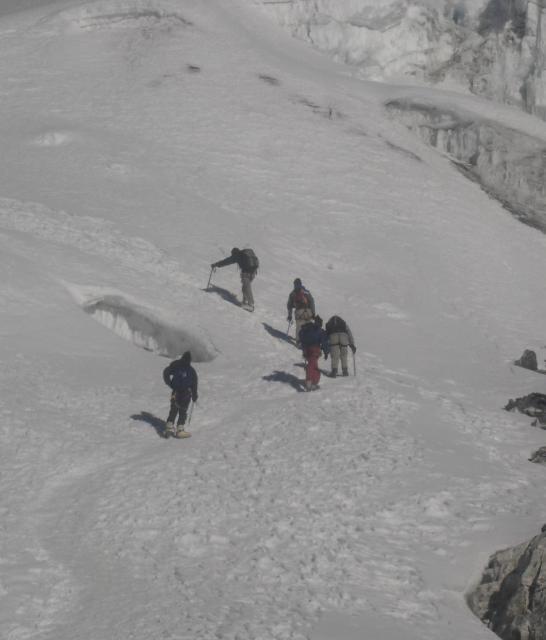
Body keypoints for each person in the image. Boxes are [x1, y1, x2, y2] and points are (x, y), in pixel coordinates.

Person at [162, 351, 198, 438]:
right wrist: (194, 394)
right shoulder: (188, 369)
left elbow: (166, 372)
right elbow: (194, 383)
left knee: (177, 409)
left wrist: (170, 383)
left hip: (180, 392)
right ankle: (177, 428)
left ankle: (173, 427)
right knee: (180, 410)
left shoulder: (179, 366)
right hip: (182, 392)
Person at [299, 315, 329, 391]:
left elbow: (301, 336)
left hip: (306, 349)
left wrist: (303, 348)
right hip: (315, 349)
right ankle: (310, 383)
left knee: (312, 365)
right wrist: (326, 352)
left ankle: (312, 382)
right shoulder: (319, 330)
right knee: (312, 366)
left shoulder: (306, 328)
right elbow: (324, 342)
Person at [286, 278, 315, 347]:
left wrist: (289, 315)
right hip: (308, 312)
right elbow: (312, 302)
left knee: (299, 327)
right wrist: (313, 313)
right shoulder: (306, 292)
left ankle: (299, 342)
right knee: (308, 327)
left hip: (299, 312)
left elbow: (289, 305)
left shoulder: (292, 293)